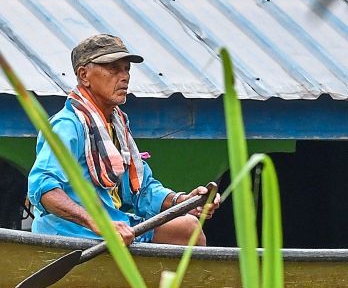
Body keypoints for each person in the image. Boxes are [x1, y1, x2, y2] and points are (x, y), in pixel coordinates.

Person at [27, 34, 219, 246]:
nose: (124, 76)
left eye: (126, 69)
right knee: (187, 228)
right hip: (70, 234)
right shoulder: (67, 125)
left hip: (115, 227)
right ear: (84, 75)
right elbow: (43, 188)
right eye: (113, 69)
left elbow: (143, 191)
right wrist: (98, 222)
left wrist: (182, 202)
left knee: (188, 224)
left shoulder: (117, 125)